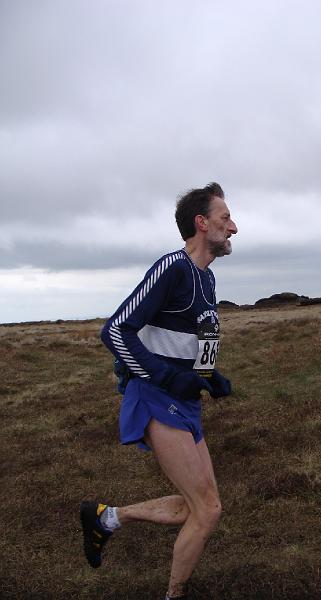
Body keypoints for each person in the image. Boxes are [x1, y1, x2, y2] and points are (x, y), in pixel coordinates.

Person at [80, 182, 238, 600]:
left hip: (185, 402)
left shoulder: (207, 280)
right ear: (201, 224)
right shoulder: (171, 268)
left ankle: (107, 519)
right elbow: (115, 330)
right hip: (154, 397)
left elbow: (193, 340)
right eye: (225, 219)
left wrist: (208, 376)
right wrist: (167, 378)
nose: (234, 227)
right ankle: (174, 594)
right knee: (209, 510)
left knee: (196, 505)